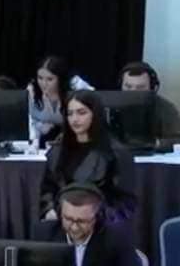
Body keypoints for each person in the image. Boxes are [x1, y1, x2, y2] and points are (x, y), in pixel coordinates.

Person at [34, 182, 150, 266]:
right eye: (68, 219)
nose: (74, 227)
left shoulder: (116, 237)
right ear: (59, 213)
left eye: (82, 221)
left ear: (98, 217)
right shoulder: (43, 233)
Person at [39, 91, 137, 223]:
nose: (74, 119)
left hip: (100, 224)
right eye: (70, 113)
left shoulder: (116, 153)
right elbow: (47, 190)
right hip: (61, 221)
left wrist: (94, 217)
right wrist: (49, 210)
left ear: (95, 114)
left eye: (81, 113)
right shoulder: (57, 151)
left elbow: (126, 202)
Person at [28, 55, 94, 144]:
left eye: (50, 79)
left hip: (80, 137)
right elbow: (31, 121)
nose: (44, 84)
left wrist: (69, 134)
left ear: (60, 78)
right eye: (40, 78)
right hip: (46, 139)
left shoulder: (76, 86)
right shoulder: (32, 91)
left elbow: (95, 109)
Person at [119, 61, 180, 146]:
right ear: (120, 85)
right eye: (128, 87)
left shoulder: (165, 107)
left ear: (152, 87)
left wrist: (153, 143)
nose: (133, 92)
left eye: (140, 87)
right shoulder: (109, 107)